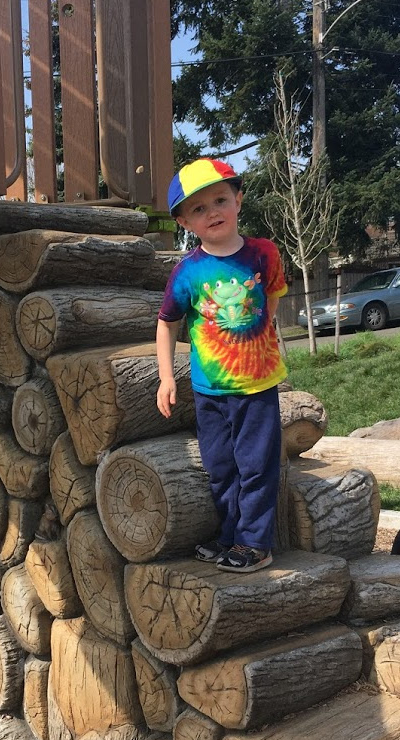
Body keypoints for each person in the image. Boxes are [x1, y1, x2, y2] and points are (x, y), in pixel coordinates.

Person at [156, 158, 288, 573]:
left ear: (238, 199)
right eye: (198, 208)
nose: (212, 211)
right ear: (184, 221)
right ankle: (231, 534)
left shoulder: (263, 253)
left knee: (256, 464)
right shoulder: (188, 272)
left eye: (220, 199)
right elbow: (167, 322)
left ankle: (255, 542)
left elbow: (273, 296)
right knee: (220, 468)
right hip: (209, 388)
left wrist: (261, 336)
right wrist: (164, 377)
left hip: (257, 385)